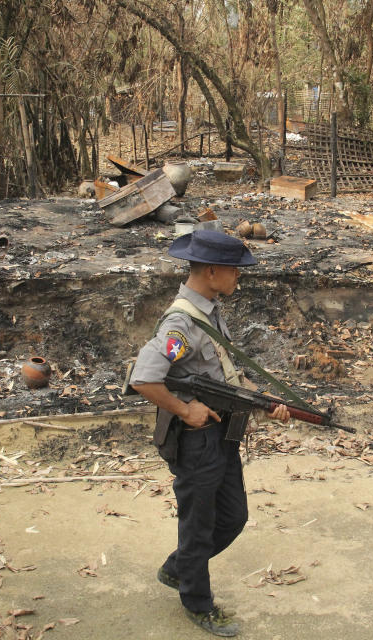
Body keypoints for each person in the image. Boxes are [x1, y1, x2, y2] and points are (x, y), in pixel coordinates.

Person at [130, 229, 290, 637]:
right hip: (197, 440)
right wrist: (185, 409)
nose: (239, 278)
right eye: (235, 271)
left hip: (224, 433)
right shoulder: (181, 321)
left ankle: (177, 568)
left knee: (233, 517)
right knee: (198, 525)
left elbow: (222, 374)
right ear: (213, 270)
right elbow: (144, 379)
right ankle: (198, 603)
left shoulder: (210, 309)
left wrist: (263, 401)